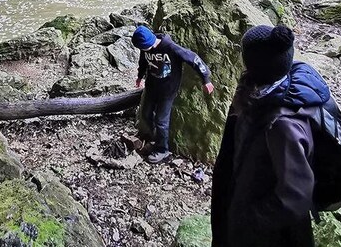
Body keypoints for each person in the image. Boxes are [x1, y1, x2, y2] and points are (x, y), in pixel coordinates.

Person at [210, 24, 327, 247]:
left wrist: (249, 219)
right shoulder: (260, 90)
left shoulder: (282, 126)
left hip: (267, 234)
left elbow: (296, 197)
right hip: (246, 191)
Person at [133, 25, 214, 164]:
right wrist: (140, 76)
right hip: (152, 87)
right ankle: (154, 138)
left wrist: (206, 79)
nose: (142, 50)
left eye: (142, 47)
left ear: (149, 42)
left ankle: (162, 150)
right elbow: (143, 61)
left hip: (168, 90)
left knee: (161, 121)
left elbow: (193, 59)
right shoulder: (145, 49)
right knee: (146, 114)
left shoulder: (171, 48)